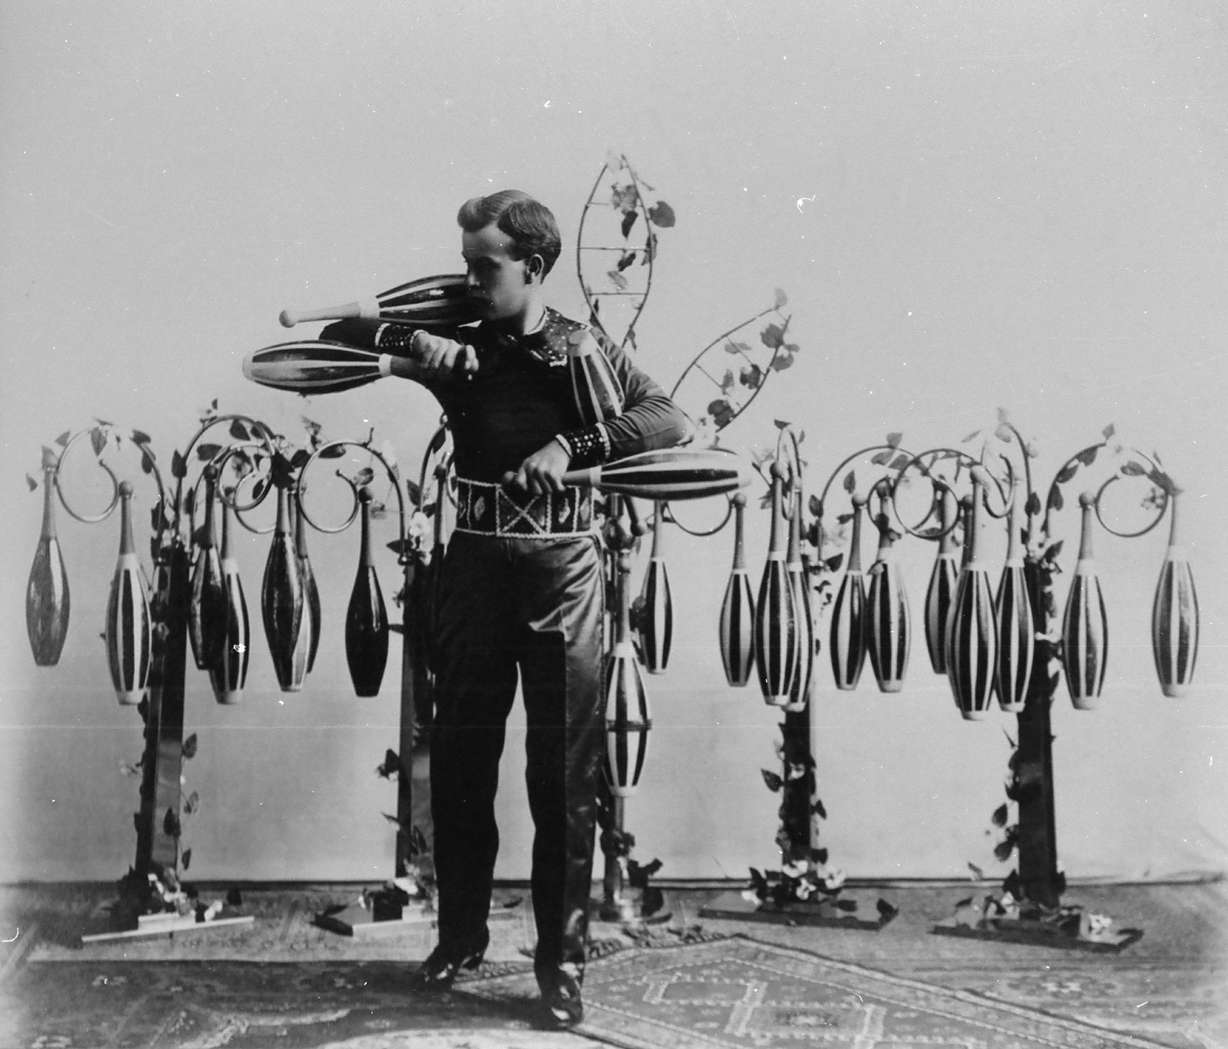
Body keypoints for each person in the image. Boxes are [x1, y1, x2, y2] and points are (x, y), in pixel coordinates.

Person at [382, 190, 688, 1029]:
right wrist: (412, 349)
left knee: (560, 778)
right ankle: (460, 937)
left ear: (536, 267)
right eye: (467, 263)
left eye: (487, 266)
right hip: (475, 569)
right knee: (462, 763)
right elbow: (354, 342)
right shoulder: (462, 342)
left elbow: (669, 417)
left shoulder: (581, 346)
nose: (471, 279)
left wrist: (572, 446)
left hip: (562, 576)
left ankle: (560, 963)